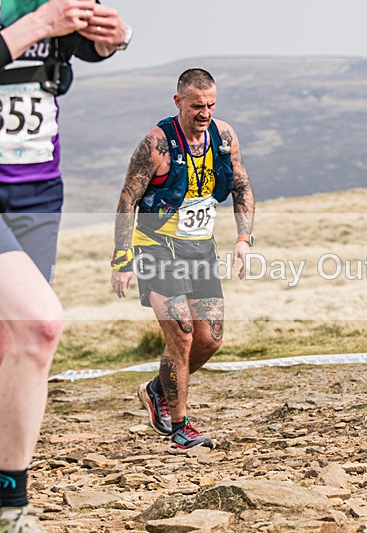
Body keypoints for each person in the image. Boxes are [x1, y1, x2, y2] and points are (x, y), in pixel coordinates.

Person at [0, 0, 132, 531]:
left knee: (0, 367)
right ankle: (12, 510)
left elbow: (79, 44)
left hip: (36, 189)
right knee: (41, 324)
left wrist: (113, 38)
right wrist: (38, 25)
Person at [111, 68, 255, 453]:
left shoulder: (223, 136)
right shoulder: (156, 144)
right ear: (178, 102)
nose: (204, 113)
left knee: (210, 339)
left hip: (199, 247)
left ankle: (157, 390)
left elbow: (240, 184)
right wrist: (122, 259)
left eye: (210, 105)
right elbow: (127, 201)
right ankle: (180, 427)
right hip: (156, 247)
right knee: (183, 334)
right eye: (196, 106)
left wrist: (243, 239)